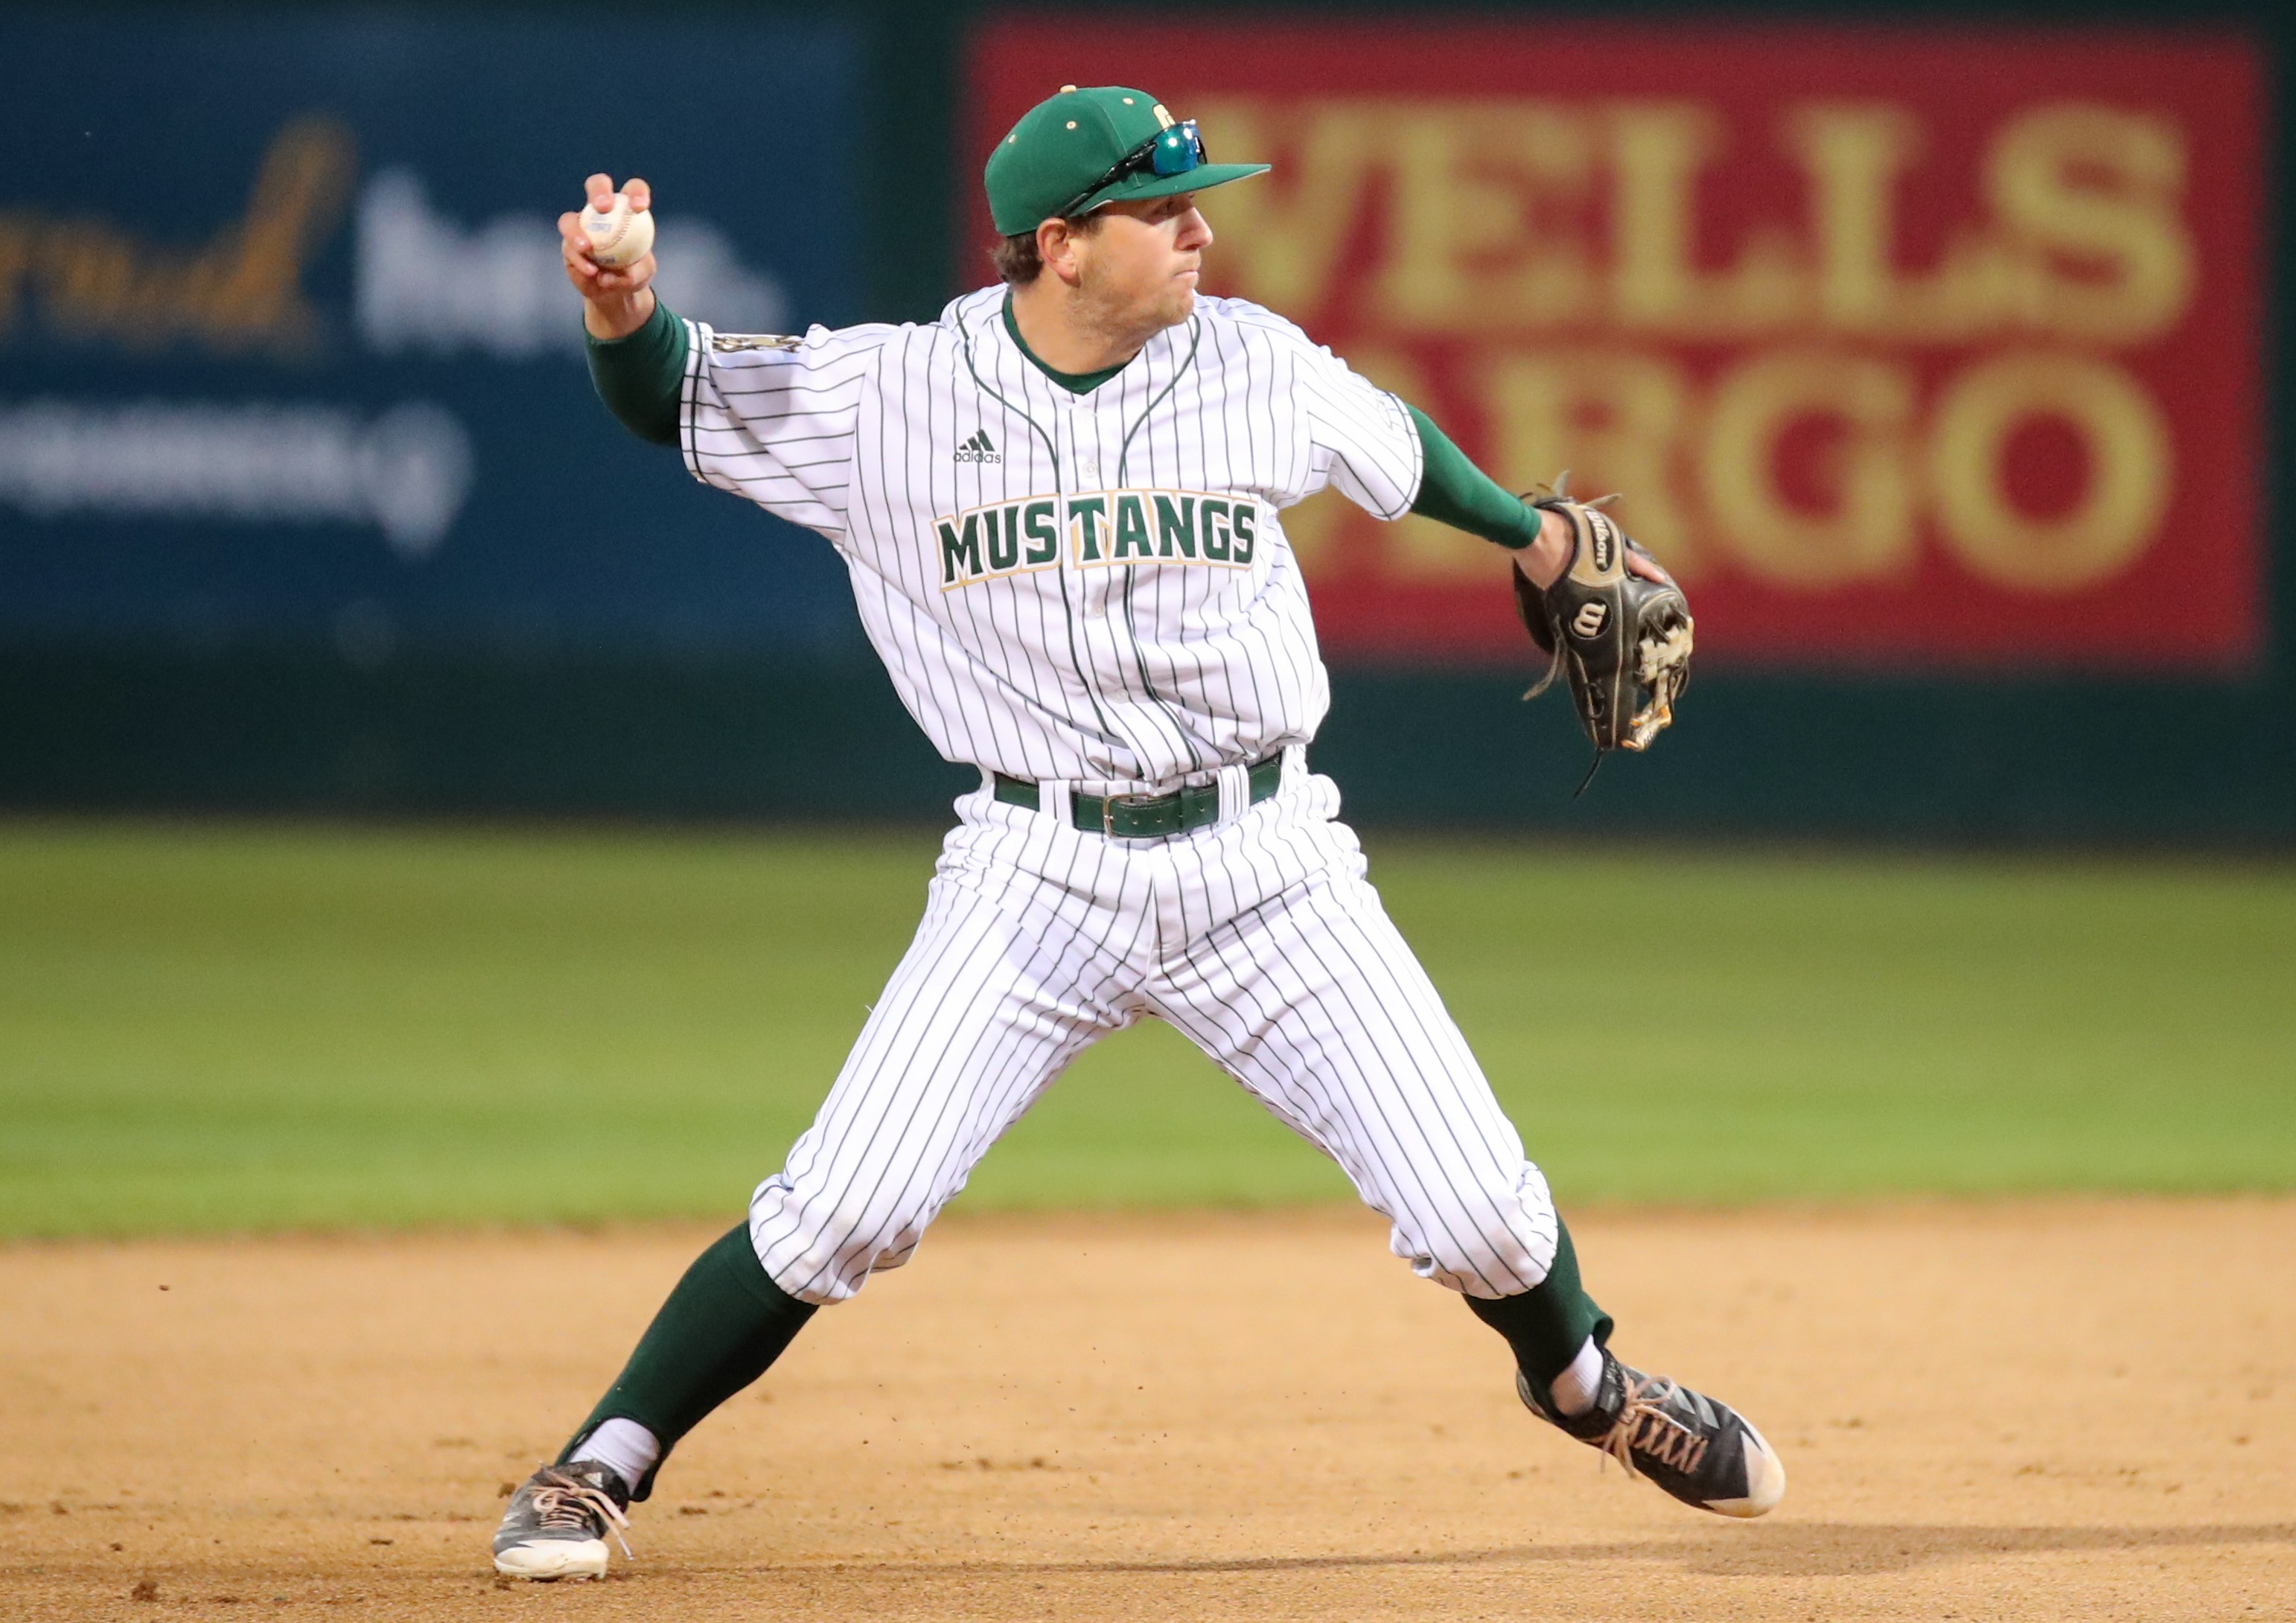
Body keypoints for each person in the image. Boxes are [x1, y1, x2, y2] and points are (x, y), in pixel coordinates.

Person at [491, 84, 1782, 1581]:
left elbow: (1396, 446)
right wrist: (622, 305)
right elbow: (678, 397)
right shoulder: (891, 397)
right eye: (1164, 211)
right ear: (1062, 245)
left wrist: (1538, 535)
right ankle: (598, 1464)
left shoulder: (1249, 362)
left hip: (1268, 863)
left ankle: (1596, 1391)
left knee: (1485, 1215)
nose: (1201, 230)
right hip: (1034, 872)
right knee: (848, 1201)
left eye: (1196, 201)